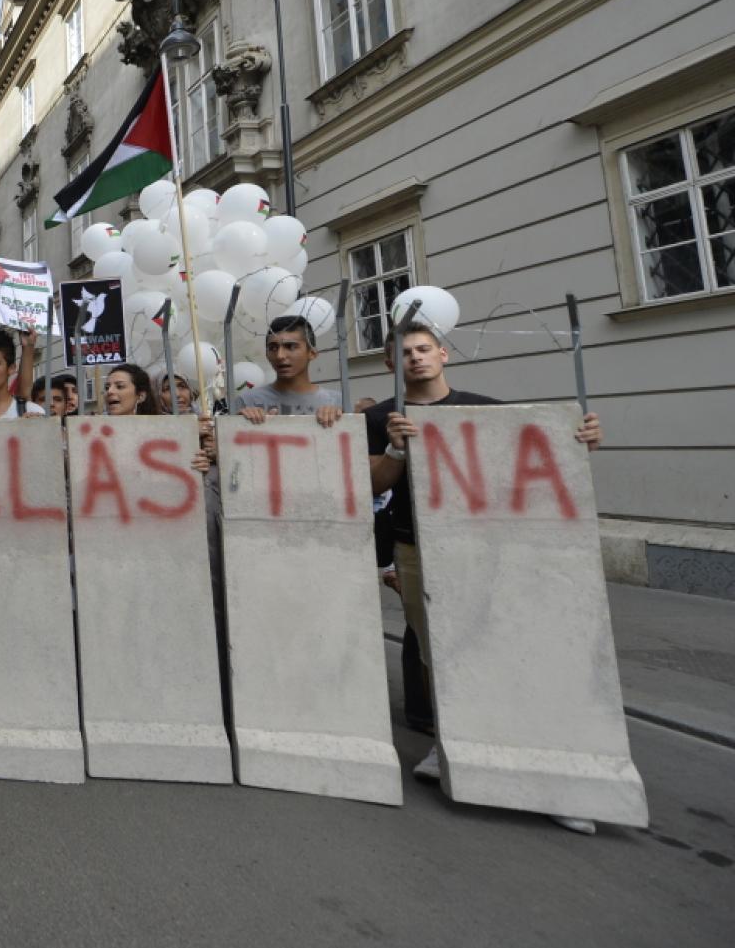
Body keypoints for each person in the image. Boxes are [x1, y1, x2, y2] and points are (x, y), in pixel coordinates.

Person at [367, 320, 603, 834]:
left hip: (483, 546)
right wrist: (395, 451)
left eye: (424, 349)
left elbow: (536, 458)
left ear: (444, 354)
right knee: (436, 652)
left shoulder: (484, 408)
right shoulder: (383, 416)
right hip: (414, 546)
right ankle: (449, 747)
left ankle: (544, 770)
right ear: (390, 364)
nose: (415, 359)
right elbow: (371, 483)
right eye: (404, 353)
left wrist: (579, 439)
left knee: (496, 647)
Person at [237, 316, 344, 424]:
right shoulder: (248, 402)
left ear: (312, 353)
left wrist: (341, 419)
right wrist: (239, 423)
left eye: (290, 346)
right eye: (273, 348)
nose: (280, 356)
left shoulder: (336, 402)